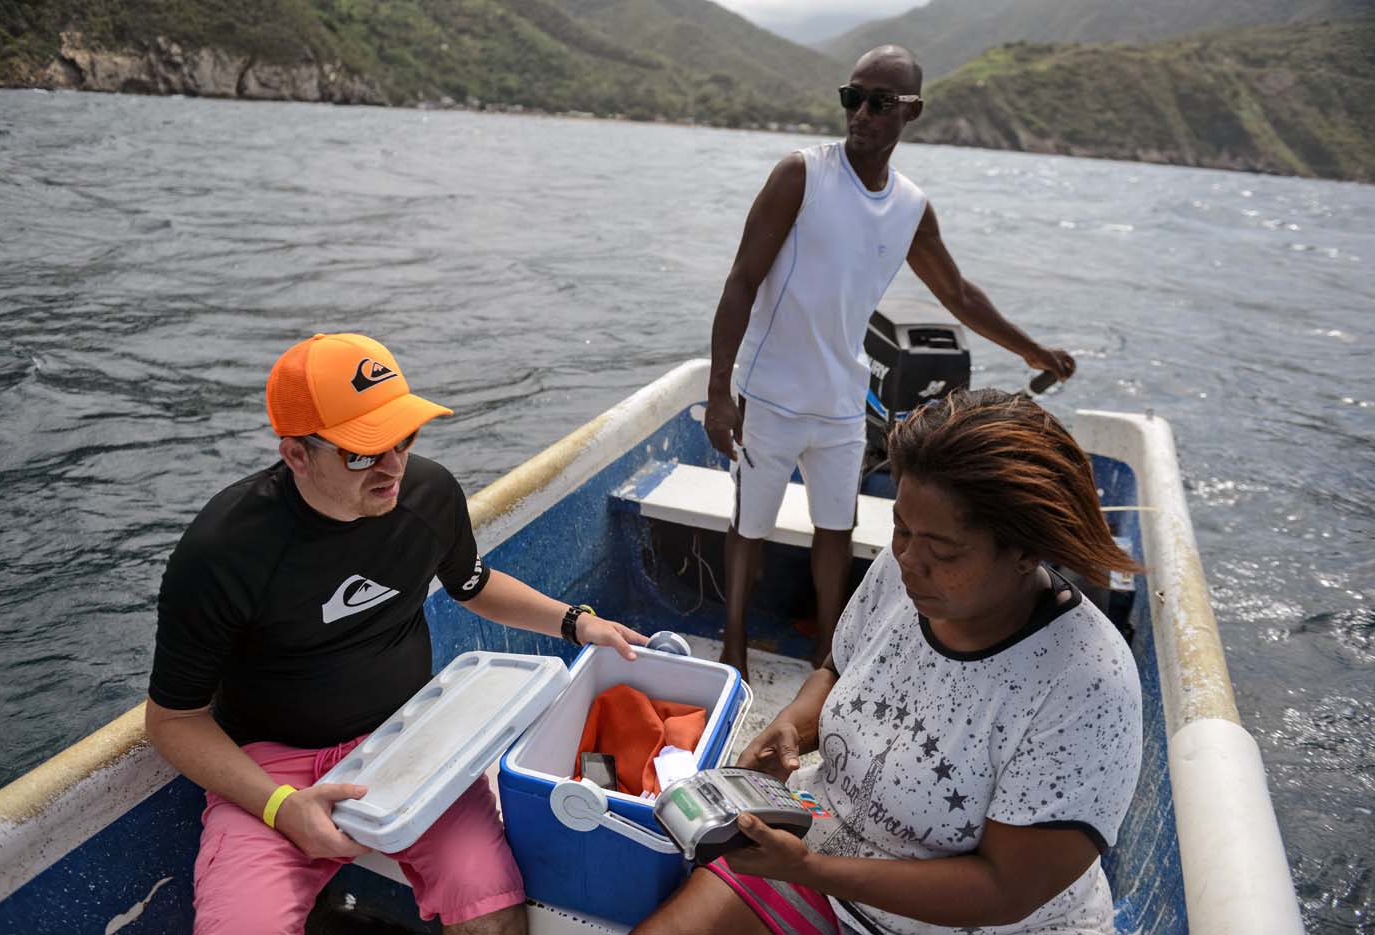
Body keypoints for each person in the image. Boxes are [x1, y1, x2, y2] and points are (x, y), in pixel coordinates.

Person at [145, 332, 646, 935]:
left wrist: (576, 622)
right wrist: (280, 807)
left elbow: (472, 583)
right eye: (361, 453)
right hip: (271, 769)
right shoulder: (222, 551)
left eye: (403, 438)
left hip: (412, 741)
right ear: (296, 455)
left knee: (490, 911)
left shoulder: (428, 495)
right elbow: (174, 719)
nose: (392, 468)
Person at [637, 388, 1144, 935]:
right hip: (824, 854)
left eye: (943, 553)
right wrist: (793, 726)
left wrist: (812, 869)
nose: (908, 561)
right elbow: (838, 668)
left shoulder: (1087, 683)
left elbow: (1003, 890)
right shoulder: (902, 570)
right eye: (901, 529)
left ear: (1026, 552)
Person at [704, 45, 1078, 678]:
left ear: (913, 111)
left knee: (835, 530)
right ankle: (733, 643)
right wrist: (719, 392)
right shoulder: (801, 175)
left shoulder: (910, 207)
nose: (861, 113)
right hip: (769, 394)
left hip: (842, 400)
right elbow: (741, 280)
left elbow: (957, 295)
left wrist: (1032, 351)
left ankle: (829, 651)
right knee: (750, 527)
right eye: (852, 97)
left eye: (880, 102)